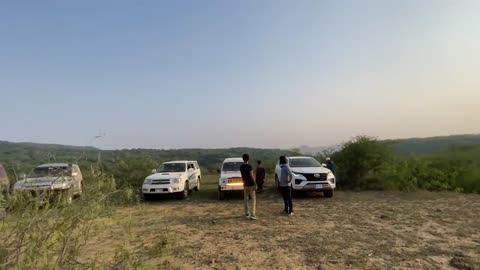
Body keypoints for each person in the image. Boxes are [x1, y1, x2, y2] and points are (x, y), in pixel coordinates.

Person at [240, 153, 257, 220]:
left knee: (245, 199)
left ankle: (246, 213)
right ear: (248, 159)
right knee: (253, 200)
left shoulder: (241, 167)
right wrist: (255, 183)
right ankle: (253, 214)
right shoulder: (249, 166)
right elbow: (251, 175)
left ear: (243, 159)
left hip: (245, 184)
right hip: (250, 184)